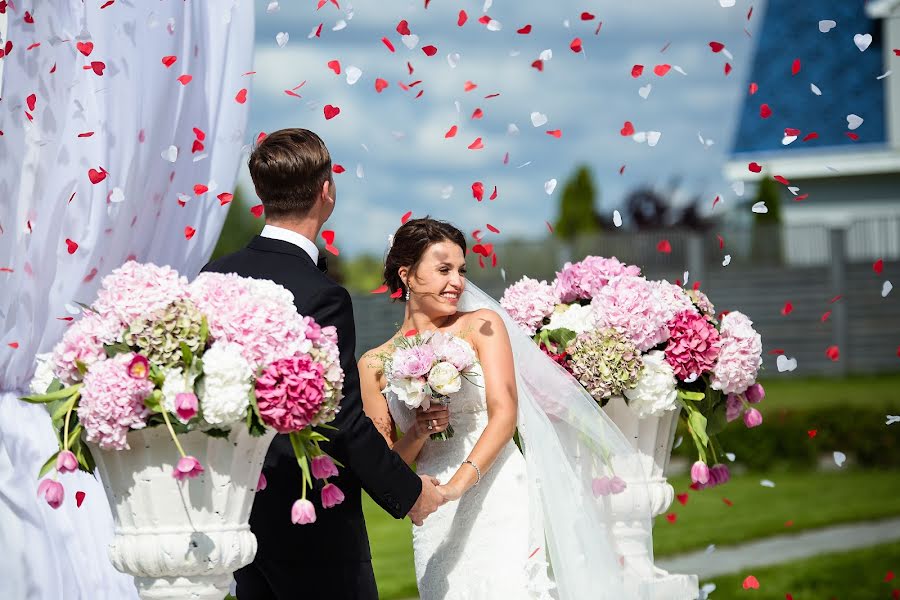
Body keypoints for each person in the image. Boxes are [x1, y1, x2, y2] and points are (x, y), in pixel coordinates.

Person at [202, 129, 445, 600]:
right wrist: (410, 493)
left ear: (261, 193)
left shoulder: (213, 276)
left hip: (232, 507)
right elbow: (342, 421)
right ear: (326, 191)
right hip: (309, 514)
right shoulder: (321, 294)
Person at [359, 217, 655, 600]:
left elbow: (504, 414)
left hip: (498, 487)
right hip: (431, 502)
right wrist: (418, 432)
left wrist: (455, 488)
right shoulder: (373, 365)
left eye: (462, 270)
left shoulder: (483, 325)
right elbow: (385, 465)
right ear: (407, 275)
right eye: (444, 269)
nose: (457, 282)